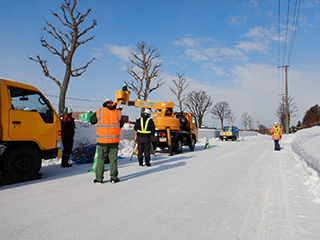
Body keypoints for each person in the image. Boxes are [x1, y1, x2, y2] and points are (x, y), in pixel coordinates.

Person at [90, 99, 124, 184]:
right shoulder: (118, 112)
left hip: (102, 141)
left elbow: (92, 121)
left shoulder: (99, 112)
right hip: (114, 141)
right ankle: (114, 178)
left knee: (101, 159)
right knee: (113, 160)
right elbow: (121, 124)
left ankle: (99, 179)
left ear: (104, 104)